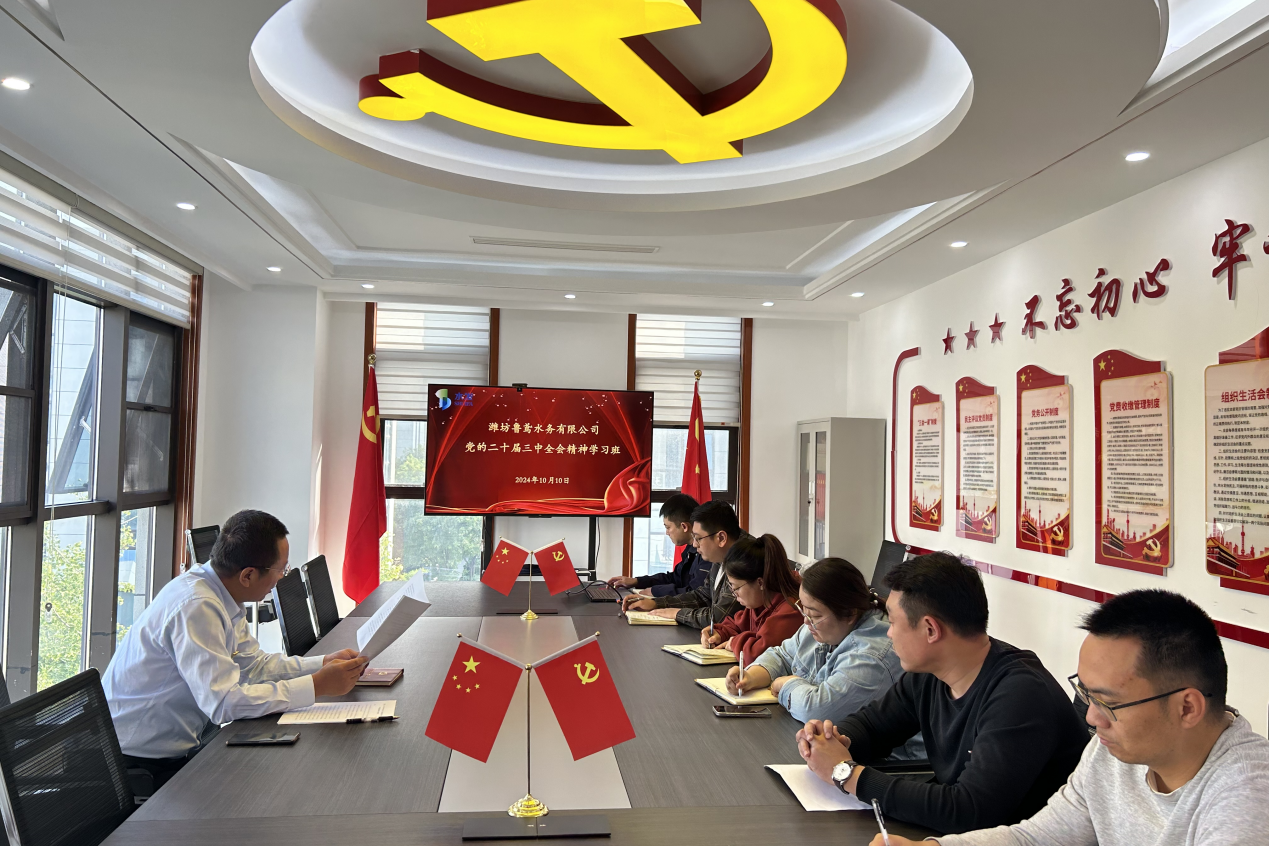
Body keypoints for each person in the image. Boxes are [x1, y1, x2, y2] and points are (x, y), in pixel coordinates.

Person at [877, 590, 1269, 846]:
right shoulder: (1112, 752)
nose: (1093, 718)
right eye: (1086, 694)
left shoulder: (1247, 799)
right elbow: (1037, 838)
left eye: (1108, 702)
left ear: (1187, 708)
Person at [796, 551, 1088, 834]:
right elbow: (873, 726)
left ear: (930, 630)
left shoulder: (1021, 695)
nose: (888, 633)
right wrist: (832, 739)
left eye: (893, 622)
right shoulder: (931, 674)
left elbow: (969, 811)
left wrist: (847, 774)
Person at [104, 510, 368, 790]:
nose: (281, 579)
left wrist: (322, 664)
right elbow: (224, 704)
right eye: (281, 570)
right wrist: (316, 686)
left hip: (179, 747)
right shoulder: (197, 607)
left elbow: (254, 667)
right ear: (248, 575)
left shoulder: (220, 592)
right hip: (138, 765)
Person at [728, 557, 922, 760]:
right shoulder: (822, 625)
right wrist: (751, 675)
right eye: (803, 610)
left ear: (849, 613)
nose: (806, 621)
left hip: (888, 765)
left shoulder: (872, 655)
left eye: (814, 615)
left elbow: (818, 709)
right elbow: (783, 654)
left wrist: (787, 685)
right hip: (836, 747)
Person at [621, 499, 746, 627]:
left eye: (698, 538)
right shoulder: (721, 551)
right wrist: (657, 603)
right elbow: (703, 596)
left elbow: (718, 618)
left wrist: (677, 613)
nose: (695, 544)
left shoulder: (744, 558)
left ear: (721, 538)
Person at [702, 534, 802, 662]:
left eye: (736, 588)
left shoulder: (791, 608)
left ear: (760, 583)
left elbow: (758, 653)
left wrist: (734, 642)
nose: (734, 594)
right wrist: (721, 633)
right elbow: (737, 625)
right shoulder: (762, 600)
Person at [606, 494, 709, 598]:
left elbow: (695, 594)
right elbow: (674, 578)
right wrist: (637, 581)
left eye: (668, 527)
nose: (667, 533)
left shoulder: (707, 554)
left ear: (684, 526)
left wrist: (656, 591)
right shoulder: (690, 550)